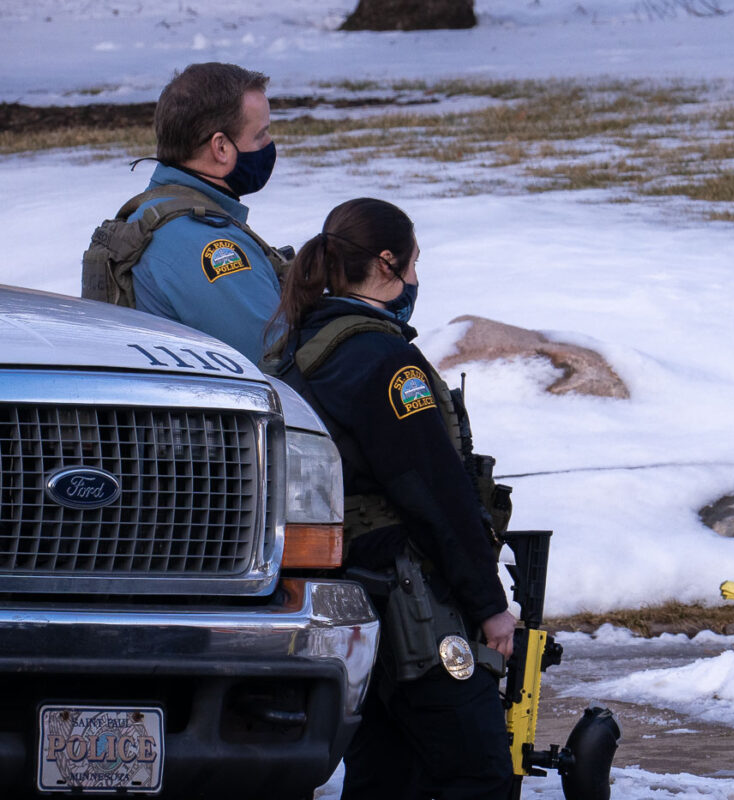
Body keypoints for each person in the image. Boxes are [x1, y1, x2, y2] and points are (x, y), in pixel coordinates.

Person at [269, 198, 517, 799]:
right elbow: (434, 490)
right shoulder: (385, 362)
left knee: (385, 776)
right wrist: (489, 604)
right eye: (412, 264)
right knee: (479, 771)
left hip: (339, 605)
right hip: (410, 602)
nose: (414, 280)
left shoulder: (301, 352)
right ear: (387, 262)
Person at [127, 62, 285, 362]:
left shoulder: (151, 214)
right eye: (261, 134)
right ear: (221, 148)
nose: (269, 144)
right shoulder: (206, 246)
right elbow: (276, 361)